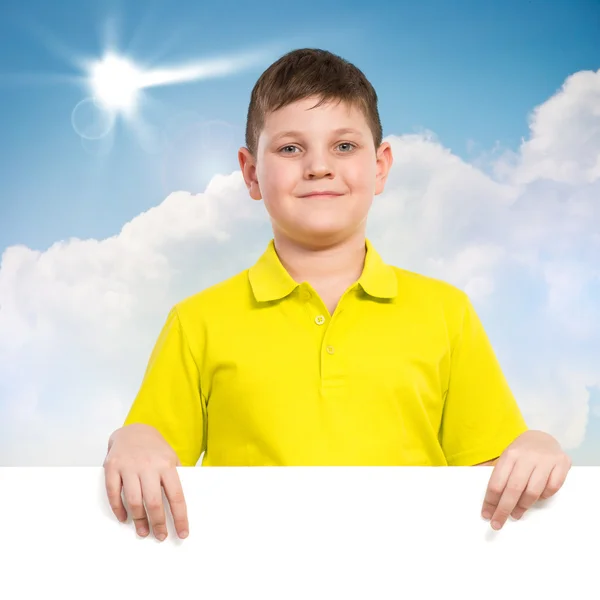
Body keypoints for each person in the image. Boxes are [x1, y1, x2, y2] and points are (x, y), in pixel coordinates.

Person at [103, 48, 572, 543]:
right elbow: (148, 459)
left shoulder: (445, 312)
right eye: (290, 149)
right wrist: (131, 438)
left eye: (344, 146)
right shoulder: (196, 320)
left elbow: (495, 473)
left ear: (381, 166)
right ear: (250, 173)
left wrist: (535, 447)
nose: (319, 167)